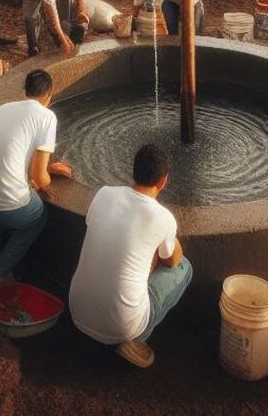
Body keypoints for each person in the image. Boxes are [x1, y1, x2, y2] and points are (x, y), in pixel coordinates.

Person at [69, 144, 191, 369]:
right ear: (163, 181)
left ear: (133, 171)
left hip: (77, 310)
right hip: (122, 326)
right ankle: (133, 338)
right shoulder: (163, 217)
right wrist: (168, 235)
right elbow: (174, 260)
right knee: (185, 267)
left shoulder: (104, 194)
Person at [0, 69, 74, 289]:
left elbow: (11, 155)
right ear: (49, 95)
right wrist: (47, 176)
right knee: (37, 215)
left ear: (25, 90)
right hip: (7, 208)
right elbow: (39, 179)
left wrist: (48, 168)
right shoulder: (47, 117)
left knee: (9, 194)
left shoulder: (3, 109)